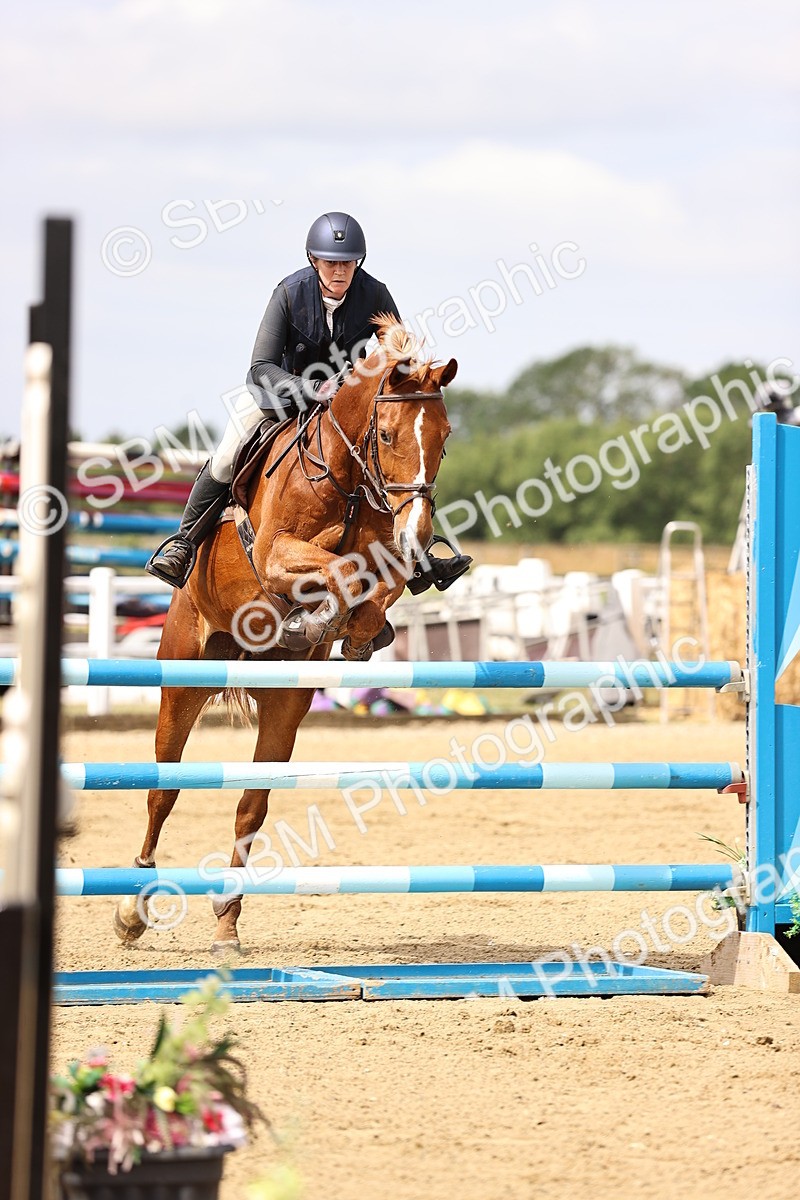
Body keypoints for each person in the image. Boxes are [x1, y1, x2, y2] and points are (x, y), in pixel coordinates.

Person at [147, 212, 470, 593]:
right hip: (280, 397)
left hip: (344, 405)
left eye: (347, 262)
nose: (339, 271)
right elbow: (260, 368)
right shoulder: (289, 293)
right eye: (331, 262)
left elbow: (398, 359)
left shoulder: (374, 294)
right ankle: (183, 544)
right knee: (226, 455)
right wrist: (312, 389)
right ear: (314, 260)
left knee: (392, 453)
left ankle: (419, 554)